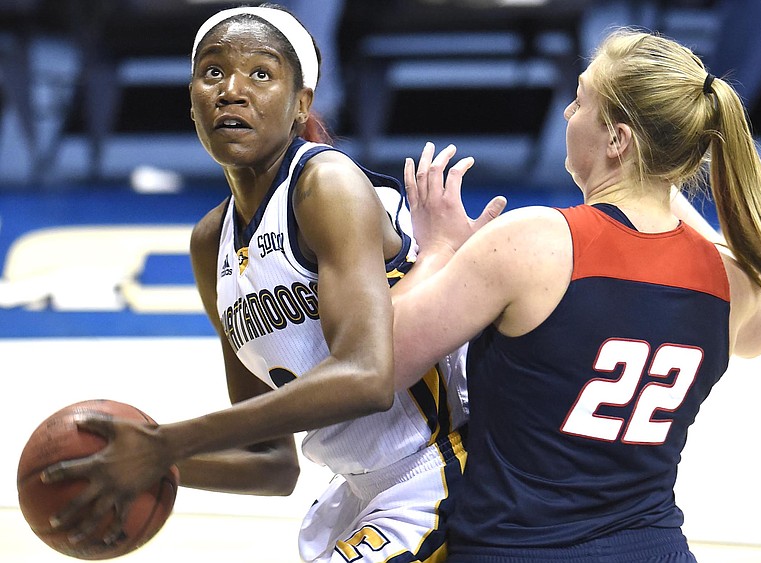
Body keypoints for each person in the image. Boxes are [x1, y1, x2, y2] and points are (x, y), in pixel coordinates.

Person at [40, 5, 500, 562]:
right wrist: (147, 466)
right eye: (212, 73)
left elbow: (366, 376)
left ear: (300, 103)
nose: (232, 91)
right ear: (191, 102)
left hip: (444, 467)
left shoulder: (325, 185)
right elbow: (274, 463)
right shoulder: (210, 242)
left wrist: (169, 442)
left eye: (261, 74)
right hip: (358, 491)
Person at [390, 28, 761, 562]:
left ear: (617, 140)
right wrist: (661, 188)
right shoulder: (733, 284)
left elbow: (375, 363)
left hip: (519, 551)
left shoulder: (536, 240)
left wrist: (438, 252)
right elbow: (760, 335)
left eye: (580, 100)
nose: (566, 115)